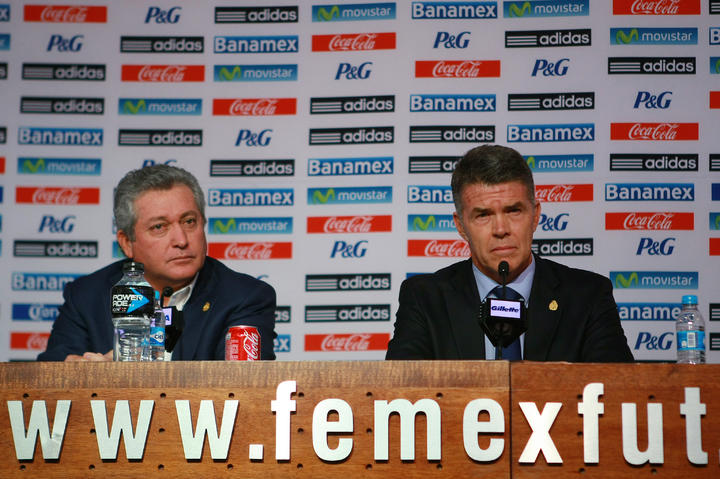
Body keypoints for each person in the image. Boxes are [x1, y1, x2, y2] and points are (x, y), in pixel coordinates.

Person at [386, 144, 633, 362]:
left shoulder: (587, 295)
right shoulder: (425, 298)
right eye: (483, 215)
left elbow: (619, 391)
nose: (501, 229)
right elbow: (400, 392)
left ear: (535, 216)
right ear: (460, 226)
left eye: (514, 211)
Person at [38, 164, 277, 361]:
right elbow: (50, 373)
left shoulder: (243, 297)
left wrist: (120, 373)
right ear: (127, 242)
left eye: (189, 221)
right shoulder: (87, 295)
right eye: (159, 227)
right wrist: (79, 372)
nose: (181, 240)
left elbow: (242, 387)